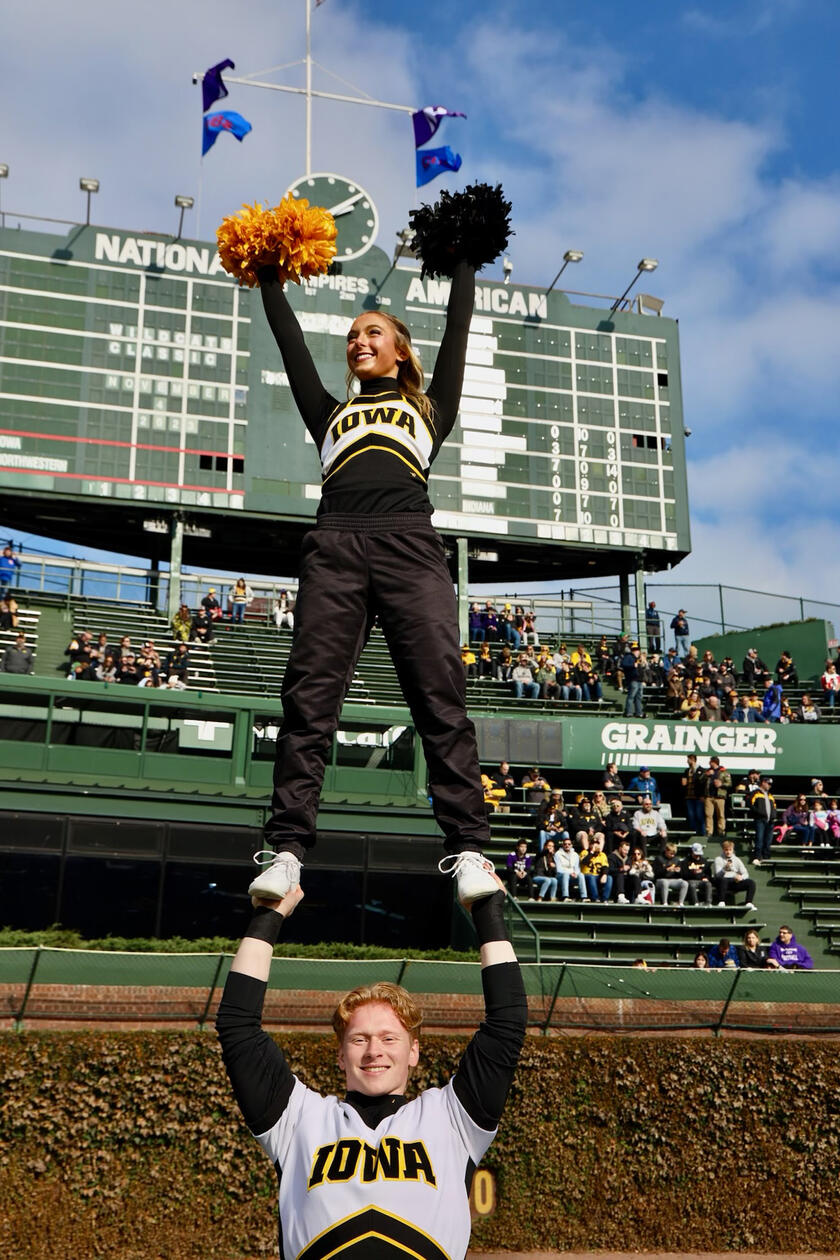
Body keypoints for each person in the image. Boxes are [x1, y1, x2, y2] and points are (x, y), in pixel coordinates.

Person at [217, 877, 526, 1259]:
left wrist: (487, 912)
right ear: (340, 1055)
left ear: (414, 1051)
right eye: (359, 1039)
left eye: (389, 1038)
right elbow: (237, 1028)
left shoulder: (453, 1119)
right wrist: (269, 915)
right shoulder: (298, 1120)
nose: (373, 1051)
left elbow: (507, 1022)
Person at [712, 840, 756, 909]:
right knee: (723, 880)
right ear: (723, 850)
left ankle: (748, 903)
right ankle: (721, 901)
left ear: (733, 850)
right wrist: (725, 869)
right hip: (722, 881)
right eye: (726, 850)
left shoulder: (737, 860)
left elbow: (745, 873)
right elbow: (718, 875)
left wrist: (741, 877)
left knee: (751, 883)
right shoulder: (718, 859)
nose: (728, 852)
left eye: (730, 850)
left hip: (734, 881)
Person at [749, 776, 777, 865]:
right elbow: (750, 804)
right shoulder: (755, 793)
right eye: (768, 783)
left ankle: (766, 857)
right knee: (759, 839)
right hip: (760, 820)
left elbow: (774, 807)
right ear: (763, 782)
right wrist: (759, 813)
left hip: (770, 821)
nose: (770, 786)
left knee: (768, 840)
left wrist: (773, 816)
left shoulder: (770, 795)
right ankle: (757, 856)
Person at [703, 756, 731, 839]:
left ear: (714, 762)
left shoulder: (724, 772)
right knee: (708, 815)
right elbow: (700, 780)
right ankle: (709, 831)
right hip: (709, 796)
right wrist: (706, 775)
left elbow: (729, 783)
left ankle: (721, 831)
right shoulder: (708, 771)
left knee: (721, 815)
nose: (709, 763)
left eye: (710, 761)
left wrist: (721, 784)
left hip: (719, 797)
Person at [653, 841, 688, 907]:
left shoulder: (676, 860)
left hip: (673, 879)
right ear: (666, 851)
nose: (672, 855)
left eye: (674, 854)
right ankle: (665, 903)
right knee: (665, 882)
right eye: (671, 853)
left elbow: (682, 874)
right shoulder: (659, 859)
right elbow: (656, 873)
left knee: (684, 883)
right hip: (661, 879)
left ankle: (680, 902)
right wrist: (666, 870)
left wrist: (678, 871)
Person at [580, 835, 612, 902]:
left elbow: (605, 866)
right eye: (593, 844)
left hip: (597, 875)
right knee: (591, 877)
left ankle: (604, 899)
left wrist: (604, 874)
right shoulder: (584, 852)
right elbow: (584, 862)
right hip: (587, 875)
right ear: (590, 845)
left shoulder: (602, 854)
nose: (595, 846)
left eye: (597, 844)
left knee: (609, 878)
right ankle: (595, 898)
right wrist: (591, 852)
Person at [555, 836, 587, 901]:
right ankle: (565, 896)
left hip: (572, 875)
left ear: (571, 845)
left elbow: (577, 868)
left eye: (569, 844)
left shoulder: (575, 855)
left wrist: (576, 873)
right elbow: (558, 869)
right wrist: (570, 873)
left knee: (581, 875)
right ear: (562, 845)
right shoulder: (558, 854)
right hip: (561, 875)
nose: (567, 845)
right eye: (565, 844)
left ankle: (584, 897)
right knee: (566, 875)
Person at [681, 754, 706, 837]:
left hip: (698, 797)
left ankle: (702, 833)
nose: (687, 762)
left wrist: (703, 795)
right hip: (689, 797)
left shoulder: (701, 770)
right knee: (691, 815)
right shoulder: (687, 771)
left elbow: (703, 784)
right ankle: (694, 832)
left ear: (692, 760)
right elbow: (684, 783)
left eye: (688, 760)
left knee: (699, 815)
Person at [608, 840, 633, 904]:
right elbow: (610, 870)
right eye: (625, 850)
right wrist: (621, 869)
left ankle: (639, 896)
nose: (626, 852)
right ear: (620, 848)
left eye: (627, 850)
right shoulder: (612, 857)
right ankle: (620, 896)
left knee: (635, 877)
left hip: (626, 879)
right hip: (615, 879)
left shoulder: (628, 858)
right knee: (620, 874)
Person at [622, 642, 643, 717]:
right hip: (633, 679)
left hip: (639, 680)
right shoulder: (628, 657)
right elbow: (623, 664)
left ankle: (639, 712)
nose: (637, 651)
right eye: (635, 650)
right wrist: (632, 665)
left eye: (637, 650)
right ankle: (629, 712)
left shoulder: (637, 659)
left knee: (639, 697)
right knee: (631, 696)